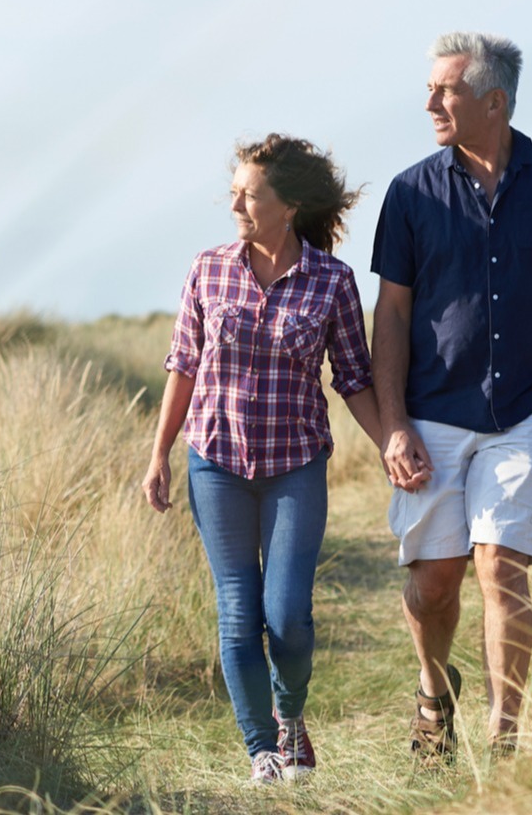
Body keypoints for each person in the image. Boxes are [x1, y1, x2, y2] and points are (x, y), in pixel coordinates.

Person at [370, 32, 532, 764]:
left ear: (493, 100)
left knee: (498, 565)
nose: (429, 102)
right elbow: (390, 314)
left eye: (444, 90)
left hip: (531, 407)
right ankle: (432, 688)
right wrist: (392, 425)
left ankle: (502, 739)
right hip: (432, 410)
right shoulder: (411, 191)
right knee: (434, 582)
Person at [142, 133, 381, 785]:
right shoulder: (208, 268)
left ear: (290, 204)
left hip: (295, 464)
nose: (236, 204)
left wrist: (391, 441)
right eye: (235, 192)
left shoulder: (332, 283)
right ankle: (261, 750)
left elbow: (354, 378)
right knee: (240, 614)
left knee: (288, 618)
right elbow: (182, 367)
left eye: (249, 194)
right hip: (216, 462)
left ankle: (291, 713)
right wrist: (159, 454)